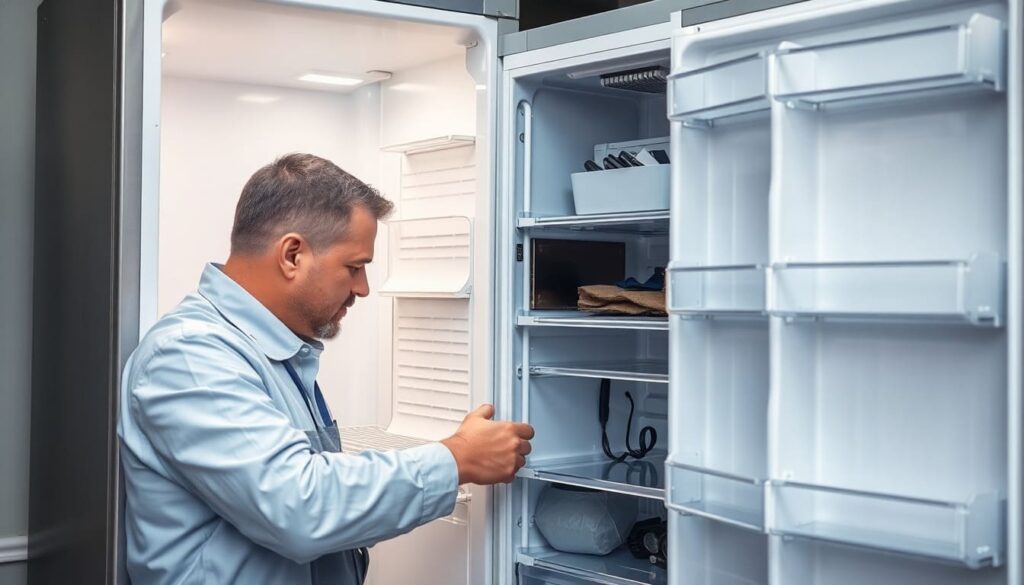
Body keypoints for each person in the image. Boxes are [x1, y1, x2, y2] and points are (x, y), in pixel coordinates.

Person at [118, 153, 534, 584]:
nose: (363, 288)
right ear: (292, 254)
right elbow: (299, 506)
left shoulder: (270, 353)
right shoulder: (190, 355)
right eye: (354, 267)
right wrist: (456, 459)